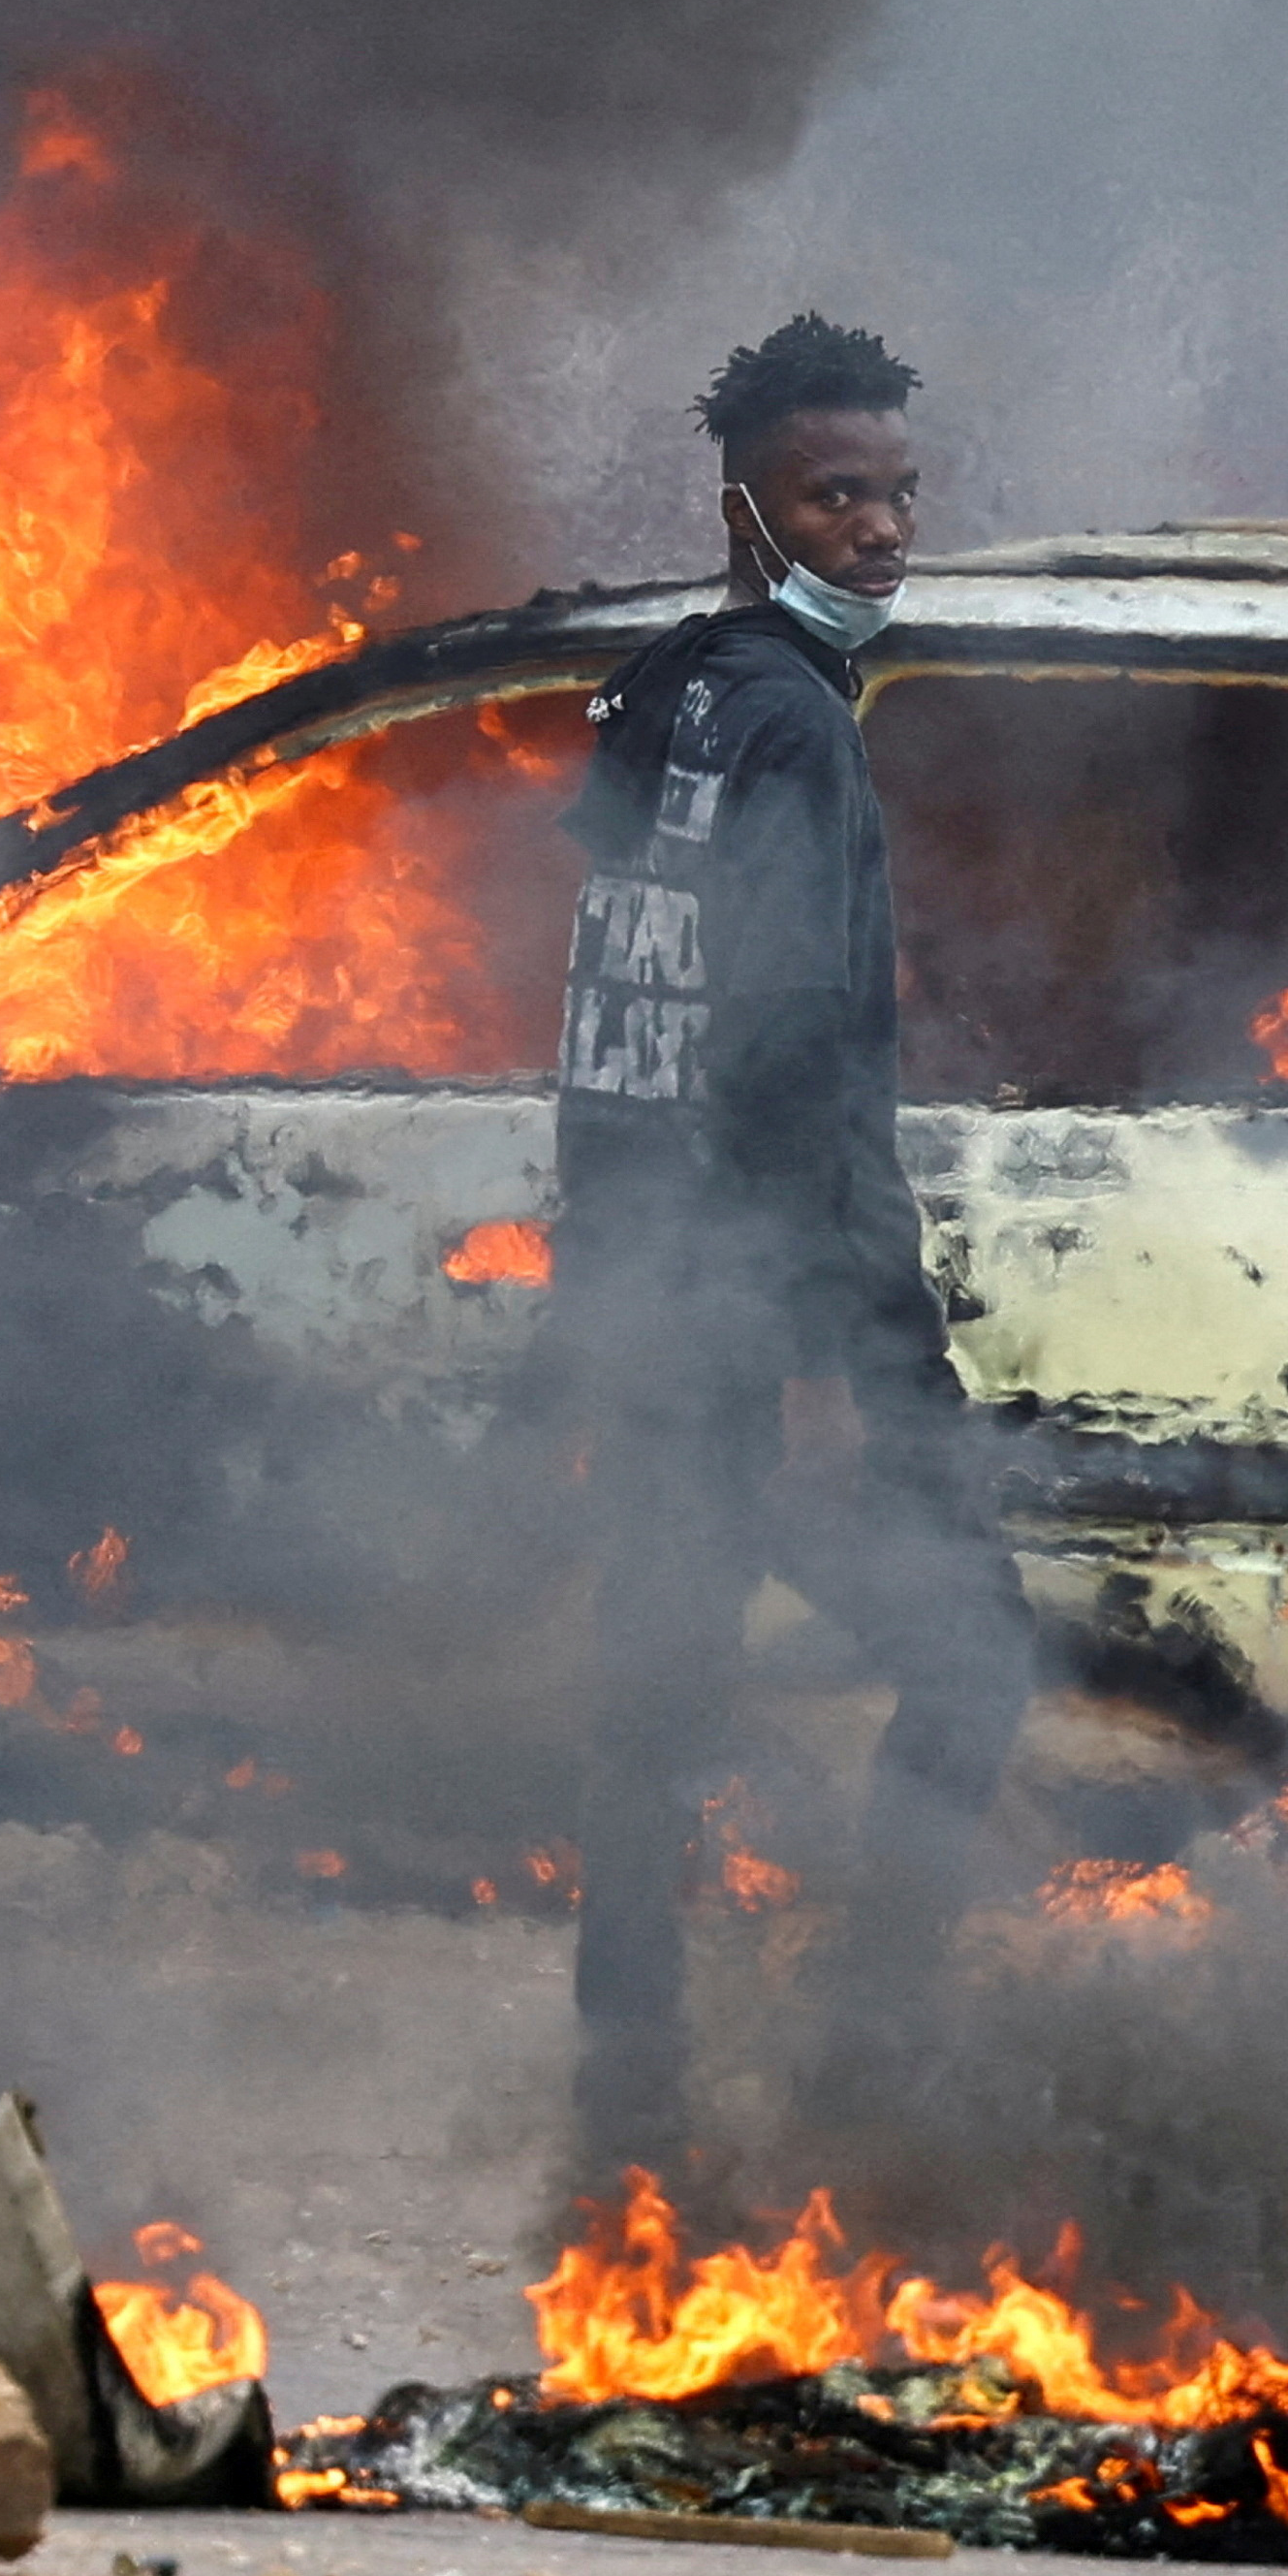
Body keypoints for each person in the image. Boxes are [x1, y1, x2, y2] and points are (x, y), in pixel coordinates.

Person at [548, 313, 1032, 2169]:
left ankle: (631, 2060)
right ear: (750, 509)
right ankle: (880, 2048)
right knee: (975, 1661)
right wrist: (824, 1367)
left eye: (901, 496)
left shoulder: (659, 695)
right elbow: (786, 1056)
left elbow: (609, 1015)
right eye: (840, 499)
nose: (884, 533)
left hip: (655, 1296)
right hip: (777, 1313)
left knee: (657, 1681)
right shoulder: (797, 734)